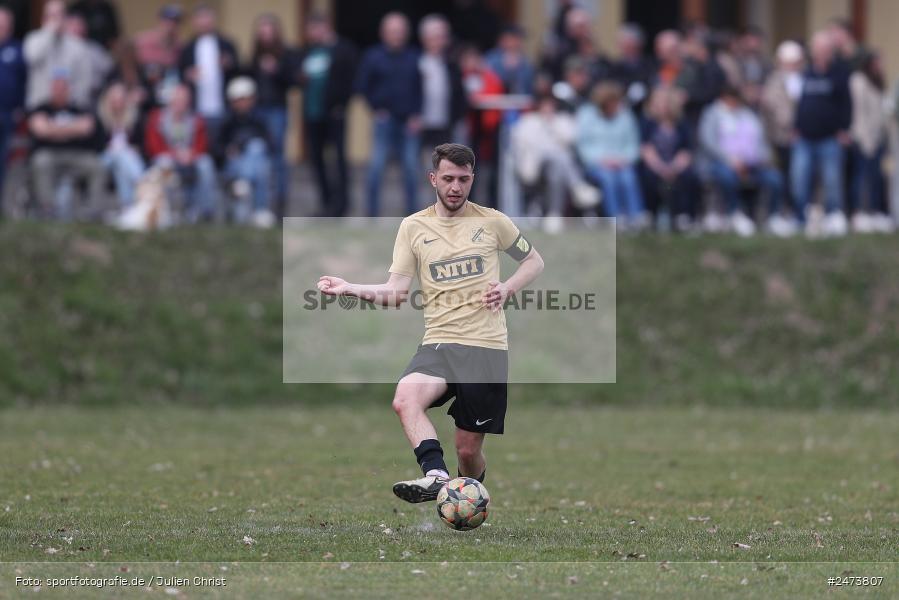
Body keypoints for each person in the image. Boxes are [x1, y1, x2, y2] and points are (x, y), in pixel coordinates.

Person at [316, 143, 544, 503]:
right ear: (433, 178)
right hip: (438, 343)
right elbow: (396, 292)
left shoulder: (493, 221)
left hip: (484, 348)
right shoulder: (413, 227)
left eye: (464, 179)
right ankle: (436, 475)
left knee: (467, 451)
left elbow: (534, 261)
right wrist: (349, 287)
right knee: (405, 399)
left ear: (473, 179)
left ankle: (469, 499)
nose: (456, 187)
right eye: (449, 178)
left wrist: (507, 287)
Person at [355, 12, 422, 216]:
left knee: (411, 169)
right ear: (383, 33)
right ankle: (372, 214)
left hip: (409, 122)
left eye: (400, 31)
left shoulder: (414, 56)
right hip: (383, 121)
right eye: (393, 31)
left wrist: (417, 114)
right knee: (376, 167)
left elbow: (420, 88)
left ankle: (413, 217)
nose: (397, 35)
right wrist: (376, 109)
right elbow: (361, 86)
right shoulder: (372, 56)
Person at [699, 86, 788, 236]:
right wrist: (730, 160)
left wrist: (760, 159)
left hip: (751, 164)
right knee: (727, 177)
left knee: (774, 178)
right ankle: (734, 213)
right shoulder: (712, 114)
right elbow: (708, 142)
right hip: (722, 163)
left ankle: (773, 217)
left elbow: (760, 143)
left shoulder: (748, 115)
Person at [296, 14, 357, 218]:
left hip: (335, 113)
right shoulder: (309, 51)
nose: (311, 34)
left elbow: (351, 79)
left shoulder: (343, 49)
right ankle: (326, 203)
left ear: (324, 27)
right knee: (317, 159)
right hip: (313, 114)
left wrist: (342, 104)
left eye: (314, 29)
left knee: (338, 159)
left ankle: (342, 205)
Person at [791, 30, 851, 235]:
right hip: (804, 137)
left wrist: (844, 129)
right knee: (799, 178)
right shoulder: (805, 73)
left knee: (832, 180)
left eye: (825, 48)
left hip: (830, 137)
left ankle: (833, 216)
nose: (821, 52)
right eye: (818, 48)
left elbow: (847, 104)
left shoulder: (840, 73)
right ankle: (801, 218)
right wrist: (795, 127)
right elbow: (797, 103)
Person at [510, 94, 599, 230]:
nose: (548, 108)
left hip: (558, 167)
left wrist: (552, 125)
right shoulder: (528, 121)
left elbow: (570, 139)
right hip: (535, 166)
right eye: (545, 105)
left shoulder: (561, 120)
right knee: (559, 155)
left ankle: (554, 215)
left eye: (551, 105)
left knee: (557, 169)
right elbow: (526, 145)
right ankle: (577, 186)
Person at [28, 73, 105, 218]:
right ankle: (48, 209)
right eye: (57, 88)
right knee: (40, 161)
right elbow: (41, 130)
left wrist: (53, 129)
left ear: (69, 90)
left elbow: (87, 128)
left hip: (77, 154)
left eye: (63, 88)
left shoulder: (79, 108)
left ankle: (94, 212)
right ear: (51, 89)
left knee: (97, 165)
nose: (60, 91)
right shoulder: (41, 108)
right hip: (50, 153)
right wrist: (73, 128)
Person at [144, 83, 217, 222]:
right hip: (168, 157)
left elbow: (202, 145)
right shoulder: (157, 118)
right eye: (178, 100)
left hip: (190, 157)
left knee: (205, 164)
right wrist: (175, 154)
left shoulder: (196, 119)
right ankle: (168, 212)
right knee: (163, 163)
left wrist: (191, 154)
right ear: (171, 101)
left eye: (184, 100)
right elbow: (153, 146)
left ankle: (204, 212)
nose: (180, 103)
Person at [576, 81, 645, 229]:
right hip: (597, 164)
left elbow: (633, 144)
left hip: (622, 163)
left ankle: (636, 216)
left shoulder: (625, 116)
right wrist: (602, 160)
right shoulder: (586, 115)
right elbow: (582, 146)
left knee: (628, 177)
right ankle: (615, 218)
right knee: (608, 178)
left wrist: (623, 159)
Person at [639, 86, 700, 231]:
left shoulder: (681, 124)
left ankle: (684, 216)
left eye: (664, 102)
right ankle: (650, 214)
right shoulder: (647, 123)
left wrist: (674, 167)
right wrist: (661, 168)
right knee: (648, 177)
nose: (661, 106)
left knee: (688, 177)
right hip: (655, 165)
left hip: (676, 164)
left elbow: (686, 150)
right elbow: (646, 150)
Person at [217, 76, 274, 227]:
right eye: (239, 99)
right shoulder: (226, 121)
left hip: (254, 165)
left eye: (246, 98)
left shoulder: (259, 119)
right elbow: (217, 148)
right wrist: (228, 150)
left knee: (257, 150)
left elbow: (269, 144)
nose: (243, 103)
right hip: (234, 164)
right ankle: (259, 209)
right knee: (258, 164)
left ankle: (249, 189)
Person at [178, 4, 238, 143]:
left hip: (223, 107)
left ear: (214, 20)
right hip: (196, 108)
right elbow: (180, 75)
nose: (204, 22)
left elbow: (238, 71)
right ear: (194, 22)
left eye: (207, 17)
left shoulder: (226, 44)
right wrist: (188, 75)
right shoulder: (188, 48)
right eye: (200, 18)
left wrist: (229, 65)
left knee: (222, 144)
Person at [760, 40, 805, 218]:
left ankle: (800, 211)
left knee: (800, 177)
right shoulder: (774, 81)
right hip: (781, 137)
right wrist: (793, 125)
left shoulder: (804, 78)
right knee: (785, 175)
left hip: (803, 135)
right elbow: (777, 109)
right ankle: (785, 211)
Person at [848, 52, 891, 232]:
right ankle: (859, 213)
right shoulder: (858, 80)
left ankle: (875, 212)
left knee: (876, 178)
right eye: (877, 62)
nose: (880, 65)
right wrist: (866, 141)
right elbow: (859, 113)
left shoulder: (878, 80)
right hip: (863, 139)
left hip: (878, 138)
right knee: (861, 177)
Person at [23, 0, 92, 109]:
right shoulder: (33, 39)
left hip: (71, 107)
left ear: (66, 18)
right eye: (51, 15)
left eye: (59, 15)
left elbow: (84, 81)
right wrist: (50, 32)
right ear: (44, 19)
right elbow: (32, 57)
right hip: (40, 107)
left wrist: (75, 106)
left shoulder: (78, 45)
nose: (56, 20)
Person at [418, 14, 467, 152]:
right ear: (425, 38)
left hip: (447, 124)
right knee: (424, 165)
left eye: (443, 37)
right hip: (422, 124)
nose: (441, 41)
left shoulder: (452, 64)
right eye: (436, 37)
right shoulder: (417, 63)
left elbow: (459, 94)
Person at [97, 82, 144, 207]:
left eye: (120, 99)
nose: (117, 103)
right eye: (114, 100)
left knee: (121, 164)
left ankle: (126, 205)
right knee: (120, 155)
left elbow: (139, 143)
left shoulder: (134, 117)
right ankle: (141, 181)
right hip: (105, 157)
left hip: (126, 157)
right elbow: (97, 145)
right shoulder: (101, 118)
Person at [0, 6, 26, 210]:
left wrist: (20, 108)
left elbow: (25, 82)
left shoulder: (17, 50)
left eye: (5, 23)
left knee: (3, 160)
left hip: (7, 114)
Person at [133, 5, 183, 109]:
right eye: (168, 21)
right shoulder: (142, 42)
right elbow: (128, 66)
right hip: (144, 101)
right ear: (160, 21)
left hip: (167, 102)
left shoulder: (179, 47)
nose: (171, 25)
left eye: (175, 22)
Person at [609, 22, 654, 114]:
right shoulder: (615, 67)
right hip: (621, 111)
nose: (622, 45)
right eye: (621, 41)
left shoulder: (649, 65)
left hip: (644, 111)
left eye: (627, 41)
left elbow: (652, 84)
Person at [484, 24, 535, 96]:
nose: (516, 42)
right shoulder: (491, 59)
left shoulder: (525, 62)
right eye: (513, 38)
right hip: (494, 101)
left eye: (518, 39)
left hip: (519, 101)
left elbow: (528, 87)